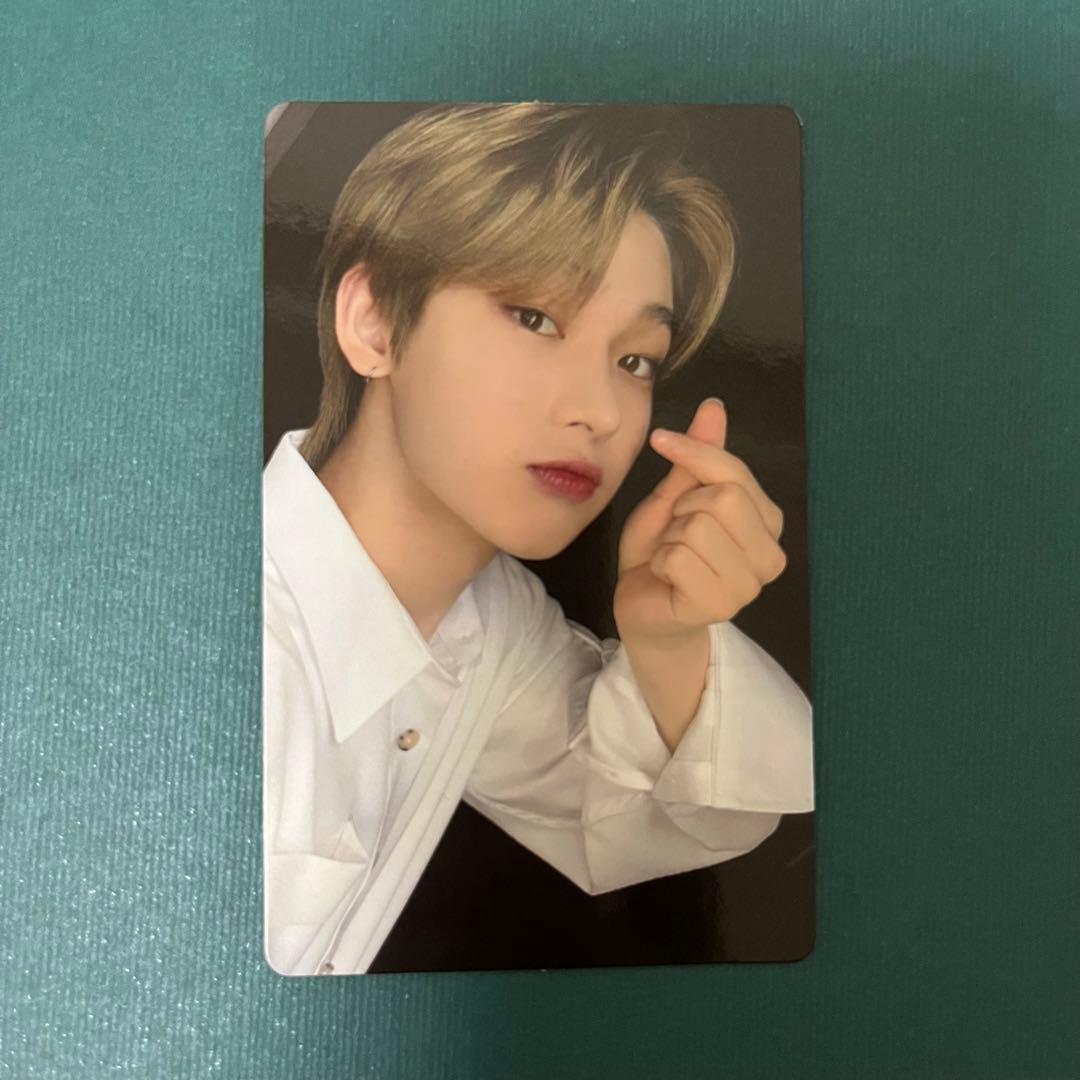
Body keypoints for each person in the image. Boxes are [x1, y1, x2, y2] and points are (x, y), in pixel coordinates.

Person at [263, 102, 814, 976]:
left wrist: (668, 638)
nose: (600, 412)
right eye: (534, 318)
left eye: (635, 359)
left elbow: (637, 817)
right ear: (374, 324)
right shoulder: (227, 644)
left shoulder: (488, 627)